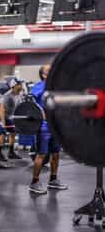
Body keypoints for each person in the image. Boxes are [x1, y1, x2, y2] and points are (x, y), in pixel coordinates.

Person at [29, 65, 68, 195]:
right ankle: (34, 182)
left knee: (56, 154)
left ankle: (53, 179)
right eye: (48, 70)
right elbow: (30, 105)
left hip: (55, 126)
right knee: (41, 154)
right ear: (43, 75)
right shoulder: (38, 87)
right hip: (43, 126)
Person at [0, 77, 23, 162]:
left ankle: (11, 152)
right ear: (14, 86)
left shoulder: (19, 95)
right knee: (1, 133)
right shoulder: (7, 96)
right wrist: (3, 124)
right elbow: (2, 110)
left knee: (13, 132)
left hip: (7, 116)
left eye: (21, 84)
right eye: (19, 84)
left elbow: (19, 108)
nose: (21, 86)